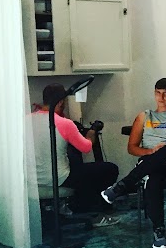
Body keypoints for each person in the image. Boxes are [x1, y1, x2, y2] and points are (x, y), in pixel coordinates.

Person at [101, 78, 166, 248]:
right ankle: (159, 231)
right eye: (158, 93)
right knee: (154, 177)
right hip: (150, 163)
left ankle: (121, 186)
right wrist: (152, 152)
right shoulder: (144, 116)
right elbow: (132, 148)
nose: (161, 97)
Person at [30, 83, 119, 225]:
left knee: (77, 167)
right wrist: (91, 134)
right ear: (61, 102)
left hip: (32, 179)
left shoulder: (25, 120)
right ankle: (92, 212)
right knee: (110, 169)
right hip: (59, 178)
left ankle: (67, 206)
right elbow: (86, 147)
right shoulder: (64, 123)